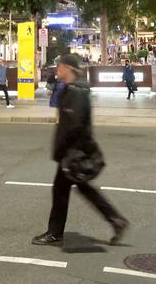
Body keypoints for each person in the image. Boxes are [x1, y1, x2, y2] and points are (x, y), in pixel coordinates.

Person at [32, 54, 128, 247]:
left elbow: (73, 124)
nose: (57, 70)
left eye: (59, 66)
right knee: (82, 188)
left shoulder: (76, 91)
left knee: (62, 190)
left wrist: (62, 149)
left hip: (73, 151)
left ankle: (55, 232)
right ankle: (115, 220)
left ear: (68, 68)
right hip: (75, 150)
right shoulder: (76, 88)